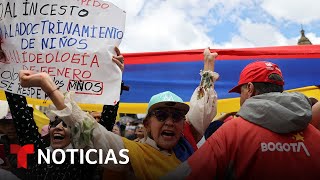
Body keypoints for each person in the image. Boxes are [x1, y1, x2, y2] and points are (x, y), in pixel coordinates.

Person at [19, 48, 219, 179]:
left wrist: (208, 69)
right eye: (161, 116)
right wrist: (50, 87)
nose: (169, 122)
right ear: (147, 124)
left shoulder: (187, 142)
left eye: (176, 117)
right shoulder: (132, 153)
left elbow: (201, 110)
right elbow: (93, 133)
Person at [165, 61, 320, 179]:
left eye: (241, 91)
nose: (240, 98)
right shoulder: (314, 134)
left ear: (250, 89)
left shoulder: (231, 132)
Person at [3, 46, 125, 180]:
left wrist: (115, 79)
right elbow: (21, 115)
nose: (59, 127)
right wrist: (8, 65)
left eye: (66, 125)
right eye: (55, 124)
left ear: (76, 133)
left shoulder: (86, 158)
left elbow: (104, 127)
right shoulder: (36, 154)